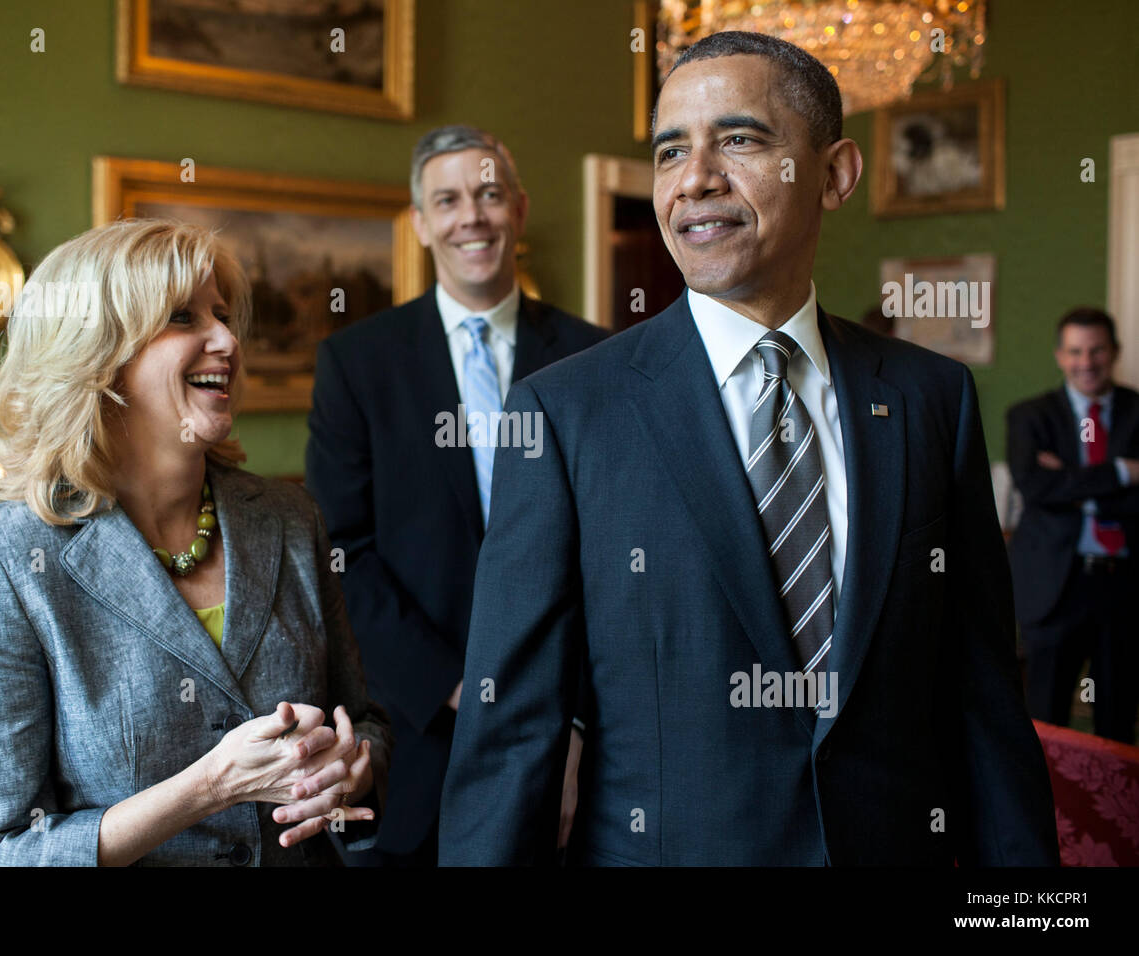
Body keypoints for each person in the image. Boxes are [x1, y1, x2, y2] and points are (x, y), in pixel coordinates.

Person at [439, 32, 1058, 865]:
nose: (694, 178)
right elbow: (511, 734)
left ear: (834, 173)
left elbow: (983, 697)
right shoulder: (564, 413)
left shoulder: (928, 400)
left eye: (738, 139)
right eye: (669, 151)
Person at [0, 219, 391, 866]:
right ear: (96, 353)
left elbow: (362, 721)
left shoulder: (289, 517)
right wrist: (208, 787)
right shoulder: (1, 561)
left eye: (224, 316)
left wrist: (351, 768)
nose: (227, 339)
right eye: (182, 317)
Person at [305, 125, 606, 865]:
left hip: (571, 731)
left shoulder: (597, 356)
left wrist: (571, 718)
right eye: (448, 199)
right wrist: (456, 687)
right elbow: (343, 551)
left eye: (489, 194)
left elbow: (618, 548)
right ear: (422, 222)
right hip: (417, 733)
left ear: (520, 211)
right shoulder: (357, 363)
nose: (470, 216)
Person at [1007, 307, 1139, 744]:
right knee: (1046, 722)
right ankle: (1047, 814)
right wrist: (1122, 472)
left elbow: (1056, 488)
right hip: (1055, 587)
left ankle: (1113, 814)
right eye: (1075, 351)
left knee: (1117, 722)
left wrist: (1068, 480)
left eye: (1097, 350)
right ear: (1060, 356)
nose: (1087, 362)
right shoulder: (1029, 416)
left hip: (1124, 587)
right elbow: (1035, 487)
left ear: (1114, 352)